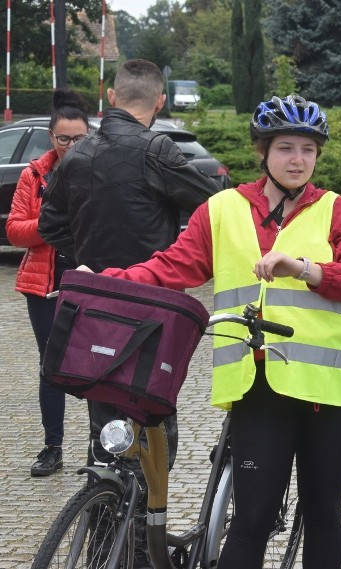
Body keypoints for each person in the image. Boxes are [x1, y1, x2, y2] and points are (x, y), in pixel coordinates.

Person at [79, 94, 341, 569]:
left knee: (324, 513)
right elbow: (171, 267)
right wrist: (105, 282)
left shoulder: (338, 212)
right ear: (262, 151)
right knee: (252, 518)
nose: (297, 160)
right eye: (285, 148)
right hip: (257, 386)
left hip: (329, 391)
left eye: (307, 149)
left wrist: (303, 268)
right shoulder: (222, 209)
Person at [38, 58, 220, 566]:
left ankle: (103, 537)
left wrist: (93, 259)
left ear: (111, 97)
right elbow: (215, 204)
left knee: (105, 425)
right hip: (149, 309)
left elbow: (50, 227)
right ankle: (141, 546)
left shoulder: (76, 155)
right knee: (155, 423)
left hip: (93, 304)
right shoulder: (157, 149)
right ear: (159, 102)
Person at [5, 89, 89, 477]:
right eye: (64, 138)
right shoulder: (34, 174)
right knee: (51, 366)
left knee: (96, 365)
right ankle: (52, 447)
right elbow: (15, 230)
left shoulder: (102, 173)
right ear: (51, 138)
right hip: (45, 285)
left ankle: (100, 445)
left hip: (93, 282)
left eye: (80, 138)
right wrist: (50, 226)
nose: (72, 146)